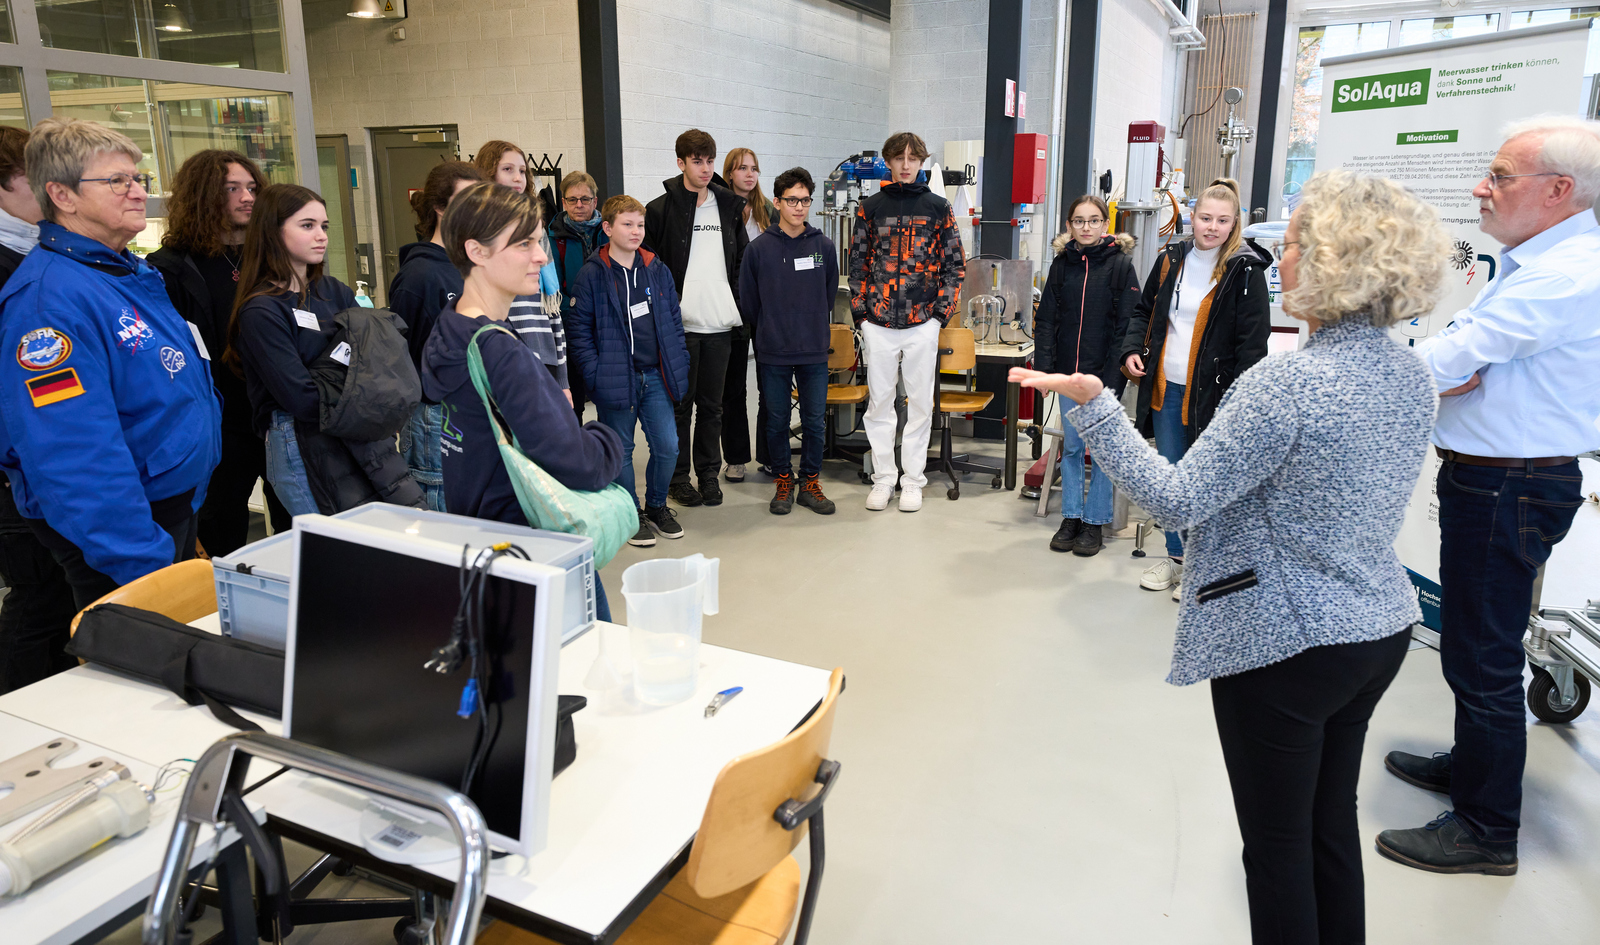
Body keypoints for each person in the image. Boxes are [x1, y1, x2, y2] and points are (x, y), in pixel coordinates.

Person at [1013, 170, 1448, 945]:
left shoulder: (1284, 385)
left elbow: (1178, 500)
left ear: (1336, 262)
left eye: (1298, 246)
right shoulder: (1410, 374)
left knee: (1277, 849)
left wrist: (1096, 407)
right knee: (1326, 830)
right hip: (1375, 630)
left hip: (1287, 645)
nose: (1279, 260)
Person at [1377, 116, 1600, 877]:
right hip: (1501, 476)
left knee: (1483, 655)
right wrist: (1442, 367)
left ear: (1559, 191)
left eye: (1501, 176)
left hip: (1511, 483)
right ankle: (1474, 771)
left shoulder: (1564, 274)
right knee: (1476, 645)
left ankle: (1485, 829)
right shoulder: (1536, 262)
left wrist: (1391, 368)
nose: (1482, 187)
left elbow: (1459, 355)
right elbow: (1462, 358)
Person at [0, 117, 219, 623]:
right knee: (137, 674)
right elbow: (73, 451)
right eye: (116, 181)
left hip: (166, 506)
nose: (138, 193)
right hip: (124, 531)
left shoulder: (122, 272)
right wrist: (140, 558)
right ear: (63, 195)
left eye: (137, 179)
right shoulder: (49, 303)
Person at [419, 181, 623, 618]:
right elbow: (580, 463)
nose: (541, 257)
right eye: (524, 244)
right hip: (533, 546)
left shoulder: (451, 325)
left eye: (540, 241)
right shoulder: (500, 350)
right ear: (476, 251)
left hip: (484, 537)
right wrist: (606, 437)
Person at [1118, 178, 1270, 597]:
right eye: (1206, 218)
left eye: (1223, 220)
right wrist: (1133, 349)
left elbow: (1253, 346)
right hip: (1166, 390)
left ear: (1235, 222)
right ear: (1192, 216)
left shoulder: (1246, 269)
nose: (1212, 227)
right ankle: (1176, 559)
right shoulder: (1171, 259)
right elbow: (1144, 311)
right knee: (1171, 480)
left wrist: (1241, 404)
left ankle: (1203, 567)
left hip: (1215, 397)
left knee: (1206, 483)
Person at [148, 149, 288, 554]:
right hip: (220, 424)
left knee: (298, 524)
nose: (248, 197)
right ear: (205, 195)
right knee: (221, 530)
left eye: (252, 187)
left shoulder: (274, 256)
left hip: (277, 414)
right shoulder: (170, 268)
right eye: (233, 189)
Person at [225, 184, 361, 516]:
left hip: (349, 433)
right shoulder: (262, 310)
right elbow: (301, 397)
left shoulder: (334, 291)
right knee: (330, 549)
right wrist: (354, 388)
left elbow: (375, 357)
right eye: (307, 225)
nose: (322, 236)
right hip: (298, 440)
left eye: (324, 226)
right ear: (273, 232)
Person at [848, 130, 965, 513]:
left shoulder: (937, 208)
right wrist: (862, 315)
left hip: (922, 324)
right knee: (879, 404)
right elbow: (858, 264)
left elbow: (954, 267)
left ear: (920, 162)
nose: (906, 164)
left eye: (913, 158)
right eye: (899, 158)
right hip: (879, 323)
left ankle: (913, 481)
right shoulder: (870, 208)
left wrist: (939, 317)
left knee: (919, 405)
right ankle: (884, 479)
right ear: (889, 161)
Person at [0, 125, 78, 694]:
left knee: (57, 591)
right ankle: (25, 707)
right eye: (36, 180)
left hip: (49, 463)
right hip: (16, 470)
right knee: (38, 598)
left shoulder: (42, 256)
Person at [568, 195, 691, 547]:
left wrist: (678, 360)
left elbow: (673, 323)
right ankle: (630, 512)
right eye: (627, 224)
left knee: (668, 446)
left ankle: (656, 506)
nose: (636, 231)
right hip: (615, 377)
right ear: (607, 228)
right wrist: (594, 374)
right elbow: (579, 333)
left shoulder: (657, 268)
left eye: (640, 225)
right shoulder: (592, 274)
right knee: (621, 450)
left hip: (655, 376)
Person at [644, 129, 748, 508]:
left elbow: (741, 263)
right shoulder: (659, 210)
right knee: (679, 407)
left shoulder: (728, 207)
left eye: (709, 161)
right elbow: (649, 270)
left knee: (713, 407)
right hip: (679, 327)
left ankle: (708, 475)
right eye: (697, 161)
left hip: (720, 324)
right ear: (681, 163)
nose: (705, 169)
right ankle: (677, 478)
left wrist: (741, 309)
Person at [1033, 196, 1140, 556]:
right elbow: (1047, 320)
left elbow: (1127, 327)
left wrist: (1114, 379)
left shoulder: (1122, 266)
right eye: (1079, 221)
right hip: (1067, 375)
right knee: (1074, 448)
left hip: (1103, 377)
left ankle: (1095, 522)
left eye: (1094, 221)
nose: (1086, 227)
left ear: (1105, 225)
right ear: (1070, 226)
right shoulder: (1062, 265)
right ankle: (1071, 517)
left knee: (1104, 452)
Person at [740, 167, 837, 516]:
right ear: (778, 202)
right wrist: (772, 327)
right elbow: (749, 302)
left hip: (813, 349)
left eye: (805, 200)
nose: (799, 207)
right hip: (773, 350)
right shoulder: (759, 250)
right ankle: (783, 480)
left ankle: (810, 481)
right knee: (777, 419)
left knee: (814, 421)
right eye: (792, 200)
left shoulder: (822, 247)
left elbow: (827, 297)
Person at [388, 160, 483, 511]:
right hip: (434, 417)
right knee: (440, 513)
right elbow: (403, 359)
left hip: (470, 410)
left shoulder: (468, 266)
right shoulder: (420, 276)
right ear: (441, 208)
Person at [473, 140, 570, 396]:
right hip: (502, 359)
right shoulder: (477, 228)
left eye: (522, 170)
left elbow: (551, 308)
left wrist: (563, 380)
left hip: (542, 351)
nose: (518, 178)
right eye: (507, 169)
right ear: (487, 173)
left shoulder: (532, 219)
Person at [720, 147, 777, 482]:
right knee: (733, 386)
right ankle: (737, 457)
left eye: (754, 168)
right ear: (729, 173)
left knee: (770, 384)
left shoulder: (768, 209)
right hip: (732, 305)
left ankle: (771, 455)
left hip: (767, 305)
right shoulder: (720, 211)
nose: (749, 174)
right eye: (742, 168)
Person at [548, 170, 609, 421]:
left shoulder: (608, 232)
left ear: (595, 201)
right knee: (572, 396)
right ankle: (578, 452)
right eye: (572, 199)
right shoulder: (552, 236)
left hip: (607, 324)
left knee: (607, 393)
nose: (579, 205)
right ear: (563, 202)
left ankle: (610, 451)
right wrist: (573, 315)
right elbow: (552, 286)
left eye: (585, 199)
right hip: (570, 325)